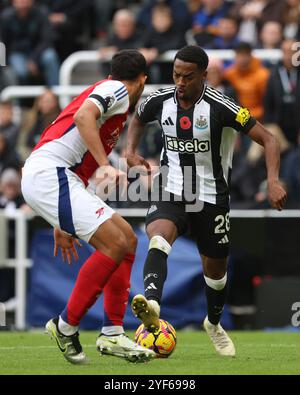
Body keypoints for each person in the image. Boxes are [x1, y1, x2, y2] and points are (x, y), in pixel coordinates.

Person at [126, 45, 287, 357]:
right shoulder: (160, 99)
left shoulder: (220, 105)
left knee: (215, 273)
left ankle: (213, 323)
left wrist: (273, 181)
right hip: (172, 187)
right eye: (176, 75)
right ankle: (153, 303)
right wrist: (130, 150)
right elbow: (138, 117)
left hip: (212, 196)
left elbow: (269, 139)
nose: (180, 82)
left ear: (204, 75)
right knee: (158, 238)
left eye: (188, 76)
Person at [21, 49, 155, 364]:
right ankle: (65, 325)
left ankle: (112, 334)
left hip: (58, 178)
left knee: (127, 239)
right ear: (142, 80)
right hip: (50, 175)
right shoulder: (116, 90)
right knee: (113, 244)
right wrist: (106, 164)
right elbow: (83, 117)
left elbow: (73, 146)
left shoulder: (107, 94)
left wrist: (61, 222)